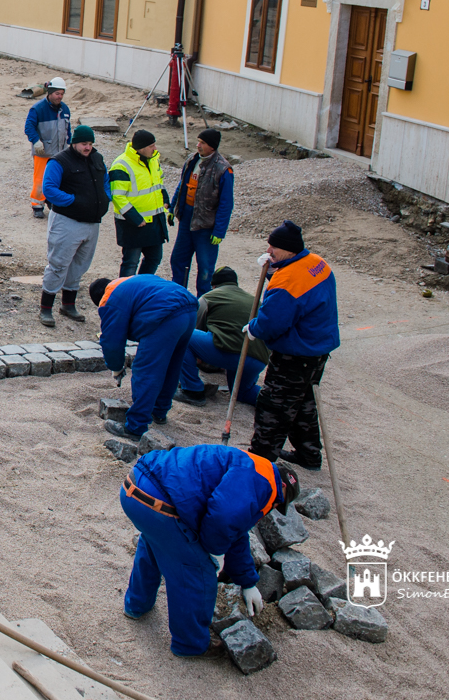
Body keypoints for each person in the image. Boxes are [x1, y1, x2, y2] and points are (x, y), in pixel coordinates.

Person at [120, 444, 298, 658]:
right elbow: (223, 519)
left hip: (135, 485)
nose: (276, 506)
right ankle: (191, 645)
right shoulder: (265, 484)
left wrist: (248, 581)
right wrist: (215, 553)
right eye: (280, 503)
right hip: (160, 504)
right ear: (284, 489)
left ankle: (136, 605)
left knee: (155, 543)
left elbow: (237, 532)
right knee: (197, 570)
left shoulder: (254, 466)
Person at [247, 221, 340, 470]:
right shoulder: (317, 263)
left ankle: (260, 458)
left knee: (275, 405)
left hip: (297, 352)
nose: (269, 250)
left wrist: (254, 328)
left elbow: (272, 322)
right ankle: (308, 454)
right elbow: (303, 292)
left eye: (273, 246)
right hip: (319, 346)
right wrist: (273, 270)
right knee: (303, 402)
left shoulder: (288, 281)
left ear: (288, 250)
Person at [88, 274, 197, 439]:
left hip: (165, 314)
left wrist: (116, 368)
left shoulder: (110, 299)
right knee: (171, 366)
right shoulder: (133, 282)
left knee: (146, 370)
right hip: (188, 308)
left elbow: (111, 342)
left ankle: (136, 426)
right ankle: (159, 411)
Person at [37, 125, 108, 328]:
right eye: (84, 144)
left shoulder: (97, 158)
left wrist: (105, 197)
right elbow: (49, 189)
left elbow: (106, 180)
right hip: (67, 222)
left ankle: (68, 305)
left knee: (79, 266)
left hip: (92, 223)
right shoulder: (59, 161)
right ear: (74, 142)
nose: (88, 147)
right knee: (58, 264)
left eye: (91, 143)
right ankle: (46, 309)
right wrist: (74, 201)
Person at [174, 266, 266, 407]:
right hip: (257, 359)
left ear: (214, 286)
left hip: (231, 353)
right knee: (243, 393)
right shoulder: (255, 301)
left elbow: (195, 329)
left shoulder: (209, 297)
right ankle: (278, 403)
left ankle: (192, 391)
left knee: (183, 335)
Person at [168, 129, 234, 294]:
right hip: (187, 219)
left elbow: (226, 202)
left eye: (202, 143)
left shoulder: (223, 169)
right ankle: (178, 297)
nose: (198, 145)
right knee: (178, 260)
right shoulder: (192, 160)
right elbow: (182, 186)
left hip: (206, 225)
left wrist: (219, 230)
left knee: (205, 268)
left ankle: (203, 304)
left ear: (212, 146)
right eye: (198, 141)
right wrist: (173, 207)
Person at [108, 130, 169, 276]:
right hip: (133, 224)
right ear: (141, 148)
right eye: (151, 146)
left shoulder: (153, 159)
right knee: (131, 263)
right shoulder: (121, 165)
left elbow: (158, 182)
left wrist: (165, 200)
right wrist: (135, 218)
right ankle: (126, 293)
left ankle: (142, 288)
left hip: (154, 220)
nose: (155, 149)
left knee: (154, 258)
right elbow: (117, 196)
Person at [24, 78, 72, 219]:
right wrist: (36, 141)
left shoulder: (65, 109)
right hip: (43, 152)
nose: (60, 96)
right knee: (40, 179)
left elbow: (68, 130)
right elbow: (29, 127)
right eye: (57, 93)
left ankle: (52, 202)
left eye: (62, 94)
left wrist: (69, 145)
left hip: (60, 153)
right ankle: (37, 205)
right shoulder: (38, 109)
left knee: (57, 179)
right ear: (50, 93)